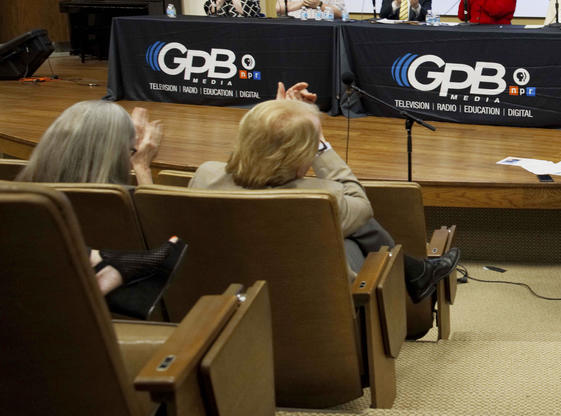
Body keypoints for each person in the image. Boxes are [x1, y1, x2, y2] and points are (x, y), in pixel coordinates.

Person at [189, 82, 460, 303]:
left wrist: (277, 120)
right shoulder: (323, 199)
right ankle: (414, 273)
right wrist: (319, 143)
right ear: (302, 158)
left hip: (221, 301)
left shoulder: (205, 176)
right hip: (312, 308)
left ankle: (416, 272)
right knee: (352, 237)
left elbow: (249, 155)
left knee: (347, 229)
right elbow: (360, 203)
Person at [16, 100, 187, 318]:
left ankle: (102, 261)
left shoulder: (19, 201)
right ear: (120, 156)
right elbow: (169, 245)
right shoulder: (128, 205)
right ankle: (107, 264)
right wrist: (142, 167)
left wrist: (120, 136)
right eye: (129, 151)